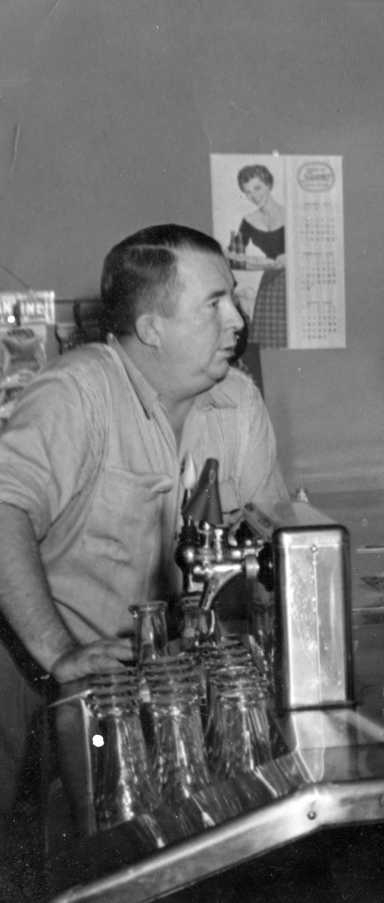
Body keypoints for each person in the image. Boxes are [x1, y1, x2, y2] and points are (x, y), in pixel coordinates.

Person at [0, 224, 289, 826]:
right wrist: (58, 652)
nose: (237, 321)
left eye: (233, 300)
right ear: (152, 328)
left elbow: (275, 545)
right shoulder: (76, 393)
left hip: (166, 688)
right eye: (214, 304)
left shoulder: (238, 403)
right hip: (46, 680)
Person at [230, 163, 287, 348]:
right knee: (268, 341)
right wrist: (267, 264)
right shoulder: (248, 221)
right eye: (247, 192)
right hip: (271, 284)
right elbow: (232, 259)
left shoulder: (291, 214)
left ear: (269, 185)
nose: (254, 196)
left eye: (257, 188)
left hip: (297, 284)